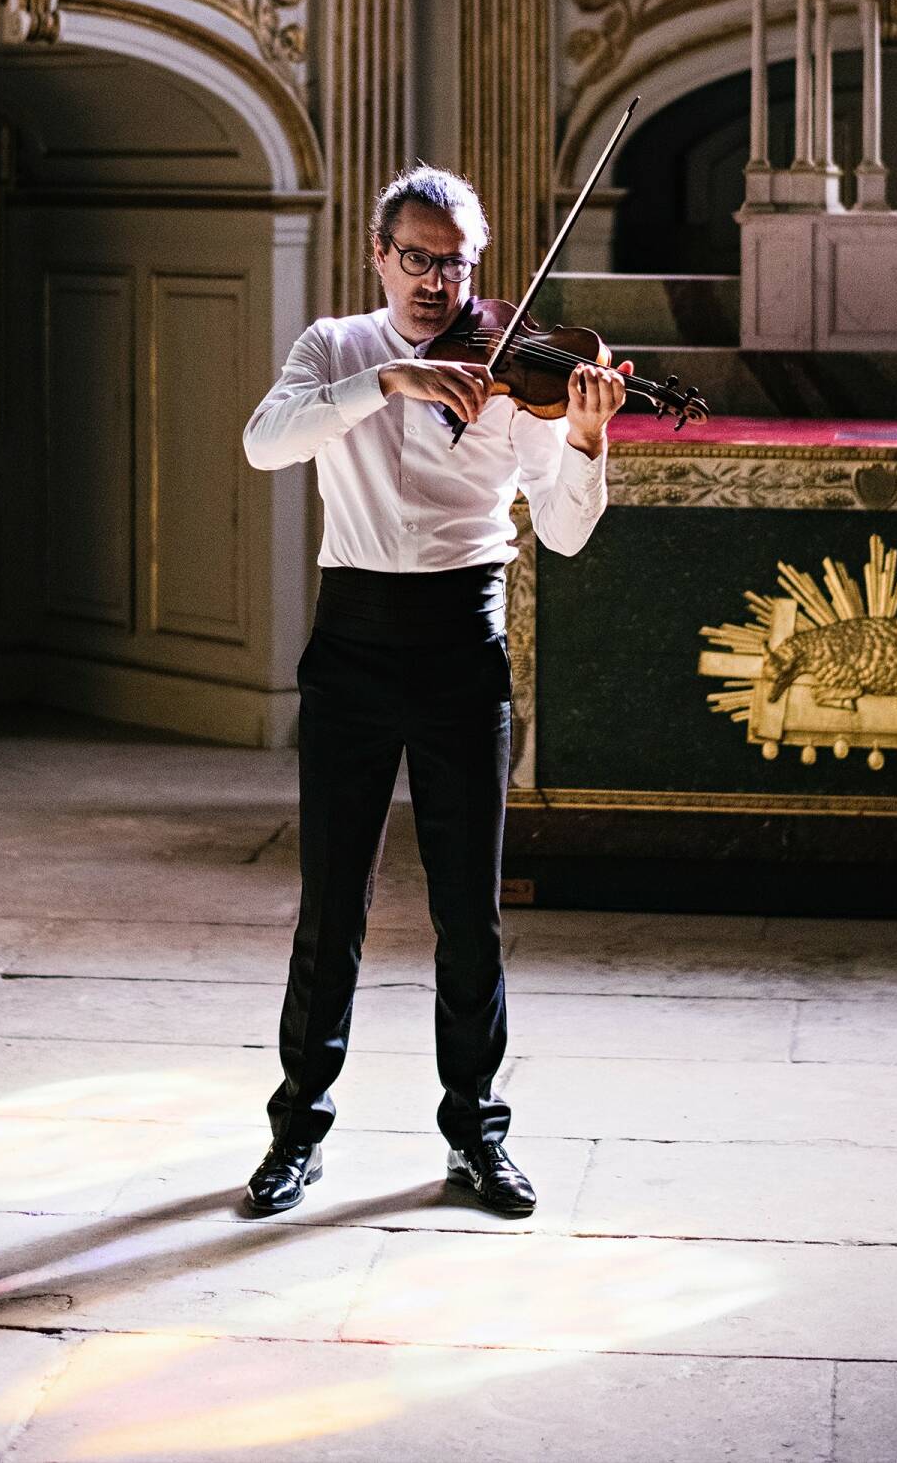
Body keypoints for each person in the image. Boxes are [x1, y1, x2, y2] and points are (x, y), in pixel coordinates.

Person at [241, 165, 629, 1218]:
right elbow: (265, 442)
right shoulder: (335, 347)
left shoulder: (519, 370)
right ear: (381, 257)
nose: (435, 281)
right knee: (333, 905)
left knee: (470, 910)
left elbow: (563, 528)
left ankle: (477, 1137)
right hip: (354, 642)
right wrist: (391, 382)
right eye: (416, 258)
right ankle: (298, 1135)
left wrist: (586, 439)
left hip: (465, 641)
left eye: (455, 262)